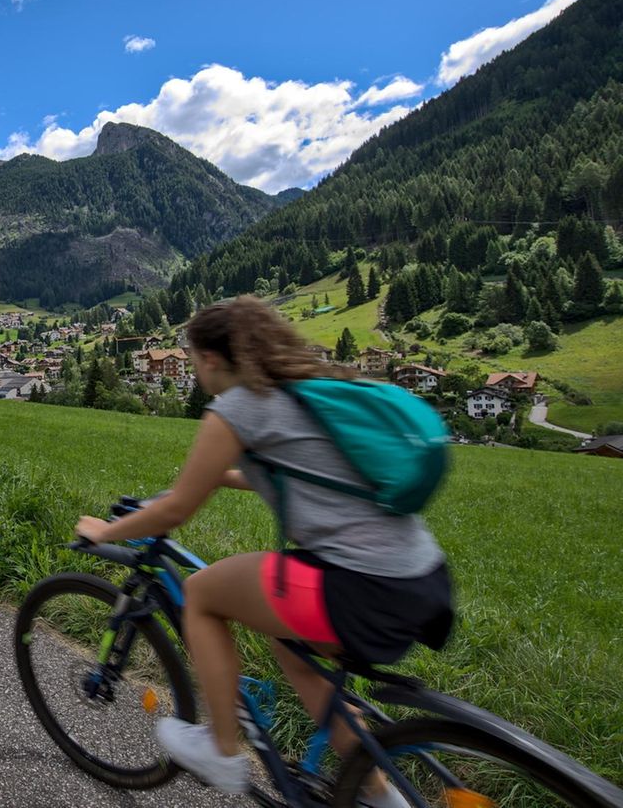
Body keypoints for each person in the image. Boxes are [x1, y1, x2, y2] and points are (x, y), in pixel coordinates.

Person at [74, 296, 452, 805]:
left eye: (191, 359)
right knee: (290, 646)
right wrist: (218, 480)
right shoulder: (302, 390)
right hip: (418, 579)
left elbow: (174, 512)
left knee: (203, 594)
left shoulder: (238, 405)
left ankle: (221, 750)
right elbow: (297, 471)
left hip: (358, 585)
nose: (192, 369)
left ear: (210, 358)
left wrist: (103, 531)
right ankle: (378, 794)